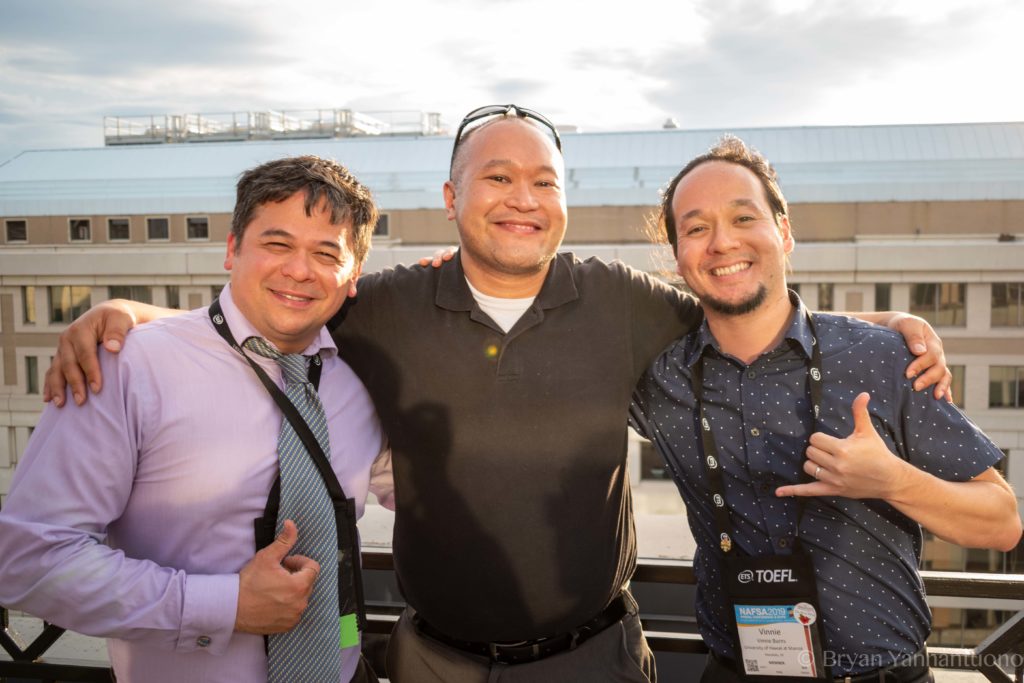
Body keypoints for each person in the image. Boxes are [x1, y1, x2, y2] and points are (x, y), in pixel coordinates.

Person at [40, 106, 952, 683]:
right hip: (431, 657)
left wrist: (883, 329)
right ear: (452, 196)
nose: (523, 198)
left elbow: (746, 305)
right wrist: (128, 312)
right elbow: (277, 308)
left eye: (543, 181)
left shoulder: (625, 301)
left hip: (596, 658)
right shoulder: (384, 304)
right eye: (498, 178)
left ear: (564, 199)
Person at [630, 136, 1021, 682]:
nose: (722, 242)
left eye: (744, 218)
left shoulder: (883, 358)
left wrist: (893, 480)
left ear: (784, 232)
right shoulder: (659, 379)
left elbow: (1003, 523)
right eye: (696, 228)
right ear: (677, 256)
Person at [0, 156, 393, 683]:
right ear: (232, 249)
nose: (299, 270)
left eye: (326, 253)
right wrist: (222, 605)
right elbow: (29, 559)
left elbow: (427, 493)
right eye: (277, 245)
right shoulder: (128, 366)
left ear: (352, 278)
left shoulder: (362, 380)